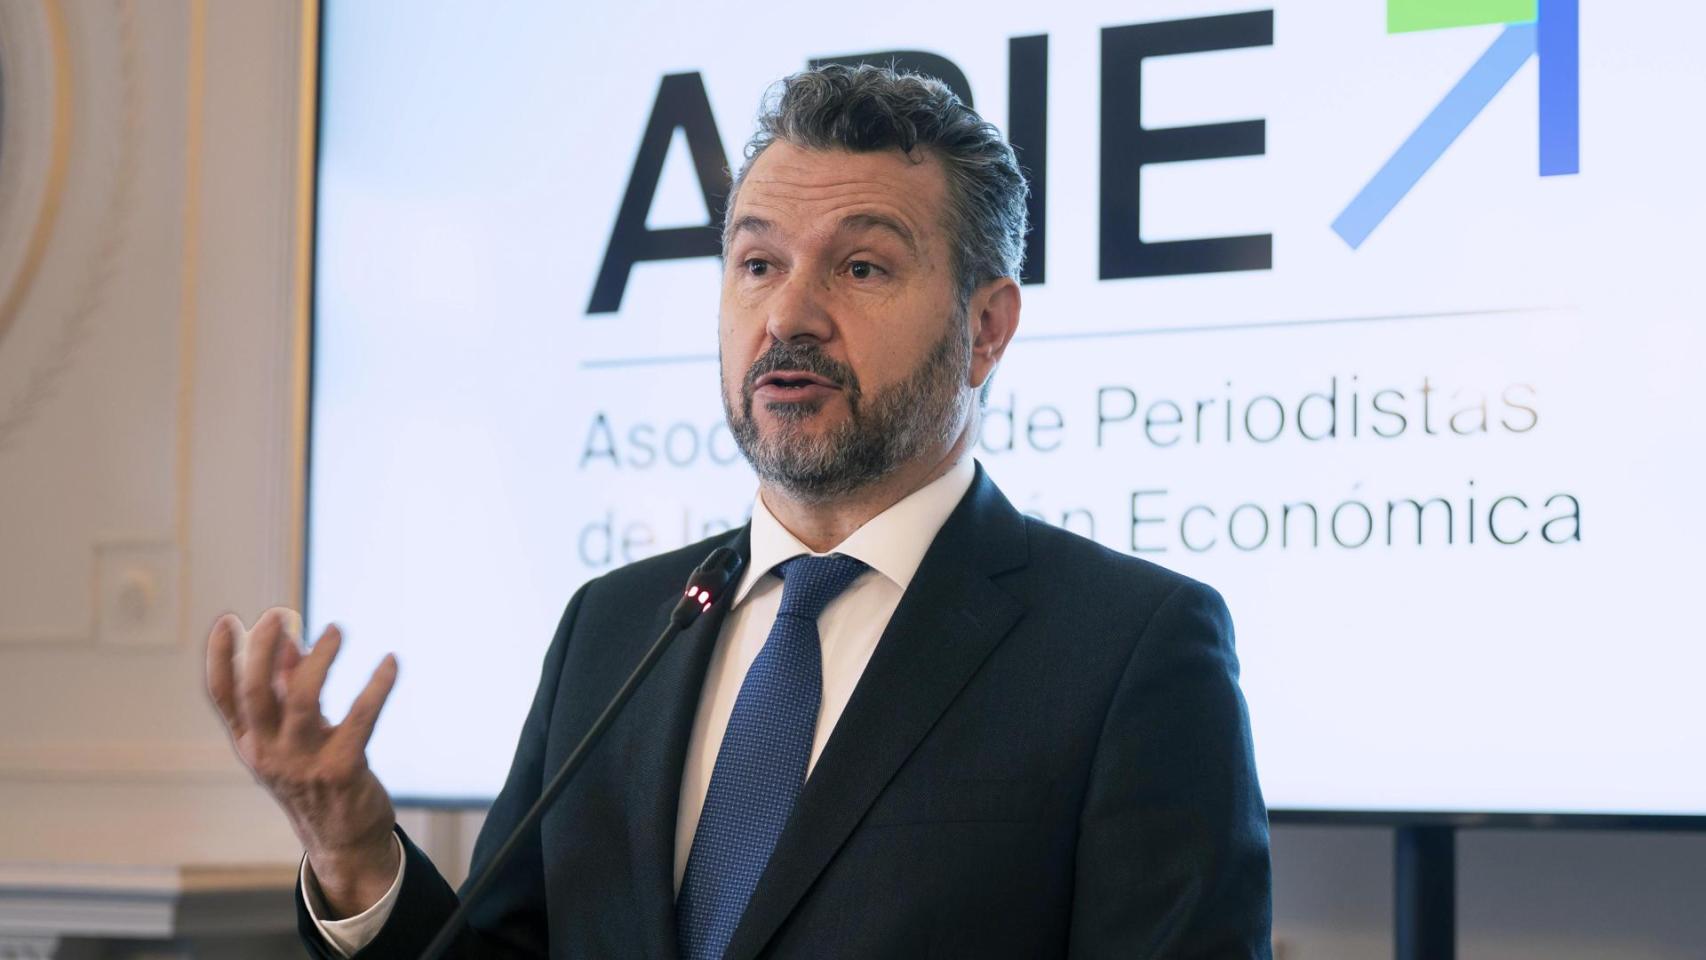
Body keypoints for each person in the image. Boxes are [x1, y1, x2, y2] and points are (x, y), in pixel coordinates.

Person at [206, 64, 1271, 959]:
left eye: (859, 267)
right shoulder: (613, 626)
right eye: (756, 264)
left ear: (985, 329)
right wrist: (352, 848)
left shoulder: (1128, 649)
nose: (788, 317)